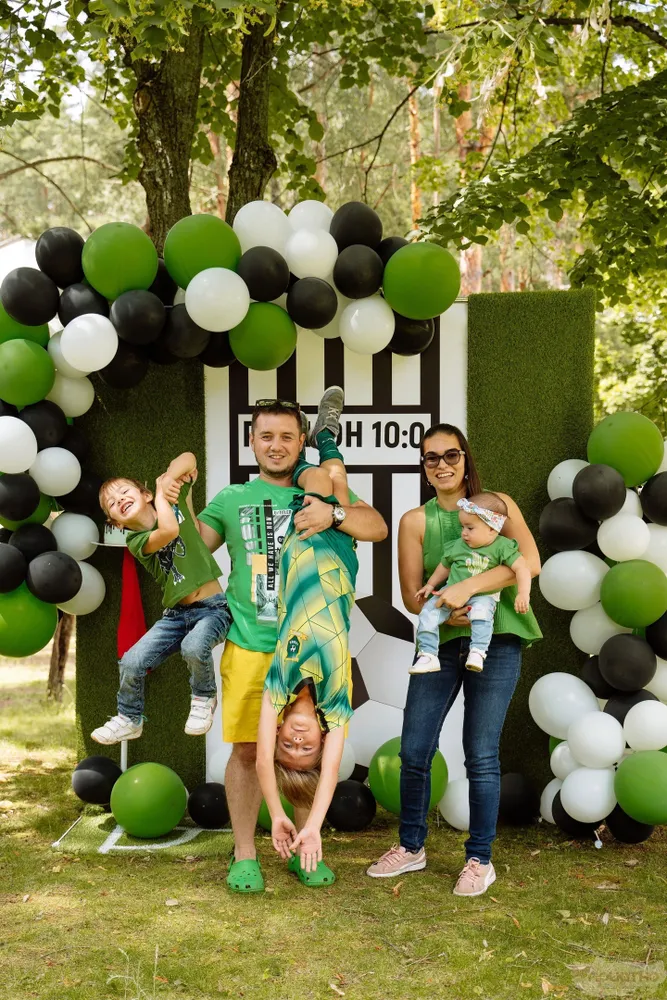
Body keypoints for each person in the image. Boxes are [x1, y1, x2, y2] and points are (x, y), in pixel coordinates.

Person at [197, 388, 387, 893]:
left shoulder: (320, 490)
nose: (275, 445)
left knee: (309, 750)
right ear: (252, 441)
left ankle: (306, 846)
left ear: (301, 441)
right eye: (266, 436)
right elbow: (192, 554)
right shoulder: (231, 498)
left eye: (286, 436)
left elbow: (375, 526)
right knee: (247, 751)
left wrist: (334, 515)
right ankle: (245, 854)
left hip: (311, 646)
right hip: (251, 644)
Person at [367, 424, 541, 896]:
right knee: (414, 749)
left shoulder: (498, 505)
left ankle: (479, 859)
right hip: (440, 644)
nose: (442, 464)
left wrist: (467, 588)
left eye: (451, 455)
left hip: (496, 640)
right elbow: (411, 595)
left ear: (465, 459)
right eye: (431, 458)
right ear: (423, 468)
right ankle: (411, 847)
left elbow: (530, 563)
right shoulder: (414, 522)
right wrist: (449, 608)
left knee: (481, 754)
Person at [255, 444, 357, 887]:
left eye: (288, 747)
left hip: (299, 548)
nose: (297, 742)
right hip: (338, 561)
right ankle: (325, 438)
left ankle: (304, 450)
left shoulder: (277, 688)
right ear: (322, 741)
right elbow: (330, 772)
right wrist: (312, 825)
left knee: (320, 480)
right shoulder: (336, 703)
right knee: (336, 480)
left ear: (278, 732)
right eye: (306, 750)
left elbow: (262, 761)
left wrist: (278, 814)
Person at [92, 452, 231, 745]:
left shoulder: (173, 499)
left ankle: (204, 697)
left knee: (194, 646)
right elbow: (169, 530)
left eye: (124, 492)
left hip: (213, 609)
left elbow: (189, 458)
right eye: (112, 503)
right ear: (117, 523)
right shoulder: (136, 541)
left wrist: (169, 478)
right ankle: (129, 718)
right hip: (177, 616)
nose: (120, 499)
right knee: (131, 661)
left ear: (143, 495)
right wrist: (161, 492)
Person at [411, 492, 532, 675]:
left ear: (492, 529)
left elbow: (522, 568)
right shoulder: (458, 545)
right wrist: (430, 585)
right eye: (463, 527)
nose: (464, 533)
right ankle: (428, 654)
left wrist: (523, 593)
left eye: (470, 528)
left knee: (481, 615)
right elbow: (445, 566)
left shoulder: (502, 546)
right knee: (429, 612)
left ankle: (477, 651)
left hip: (482, 595)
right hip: (449, 592)